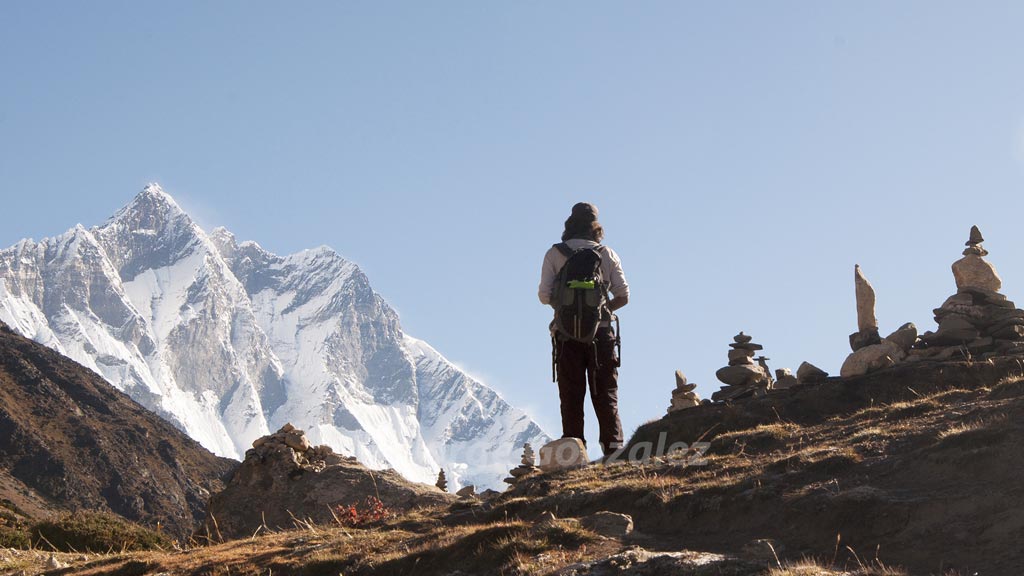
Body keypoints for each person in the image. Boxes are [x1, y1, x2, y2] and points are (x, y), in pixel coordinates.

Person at [538, 202, 629, 457]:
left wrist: (565, 307)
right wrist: (603, 310)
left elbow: (544, 295)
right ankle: (614, 455)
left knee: (571, 396)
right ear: (596, 227)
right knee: (606, 395)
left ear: (569, 223)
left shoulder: (555, 254)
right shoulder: (607, 254)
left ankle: (573, 455)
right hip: (601, 335)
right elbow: (624, 295)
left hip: (566, 336)